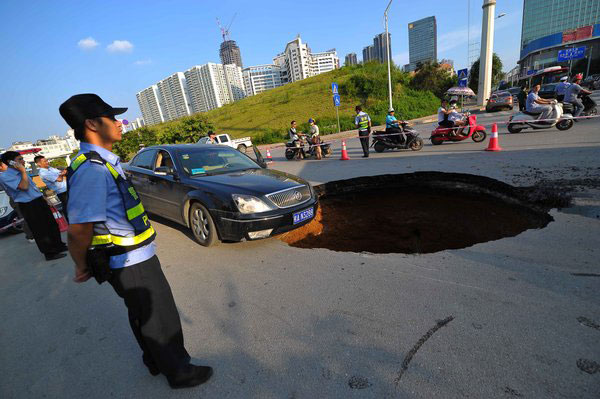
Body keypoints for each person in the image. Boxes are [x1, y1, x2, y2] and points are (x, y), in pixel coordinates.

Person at [59, 93, 212, 389]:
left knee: (142, 314)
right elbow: (78, 229)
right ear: (92, 124)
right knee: (160, 317)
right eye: (112, 118)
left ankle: (154, 360)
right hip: (130, 261)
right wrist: (80, 265)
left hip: (129, 259)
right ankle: (179, 372)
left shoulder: (101, 163)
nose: (120, 124)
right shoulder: (92, 169)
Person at [0, 151, 67, 261]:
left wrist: (44, 198)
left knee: (52, 224)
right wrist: (22, 171)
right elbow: (24, 186)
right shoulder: (5, 176)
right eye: (19, 159)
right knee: (40, 229)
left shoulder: (22, 172)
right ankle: (49, 253)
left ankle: (59, 246)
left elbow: (33, 187)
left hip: (38, 200)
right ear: (10, 162)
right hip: (28, 205)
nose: (23, 161)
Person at [0, 159, 34, 242]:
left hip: (17, 197)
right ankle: (30, 236)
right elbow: (22, 186)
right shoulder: (3, 176)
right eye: (6, 164)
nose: (8, 166)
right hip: (15, 198)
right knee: (23, 218)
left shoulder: (7, 174)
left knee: (27, 217)